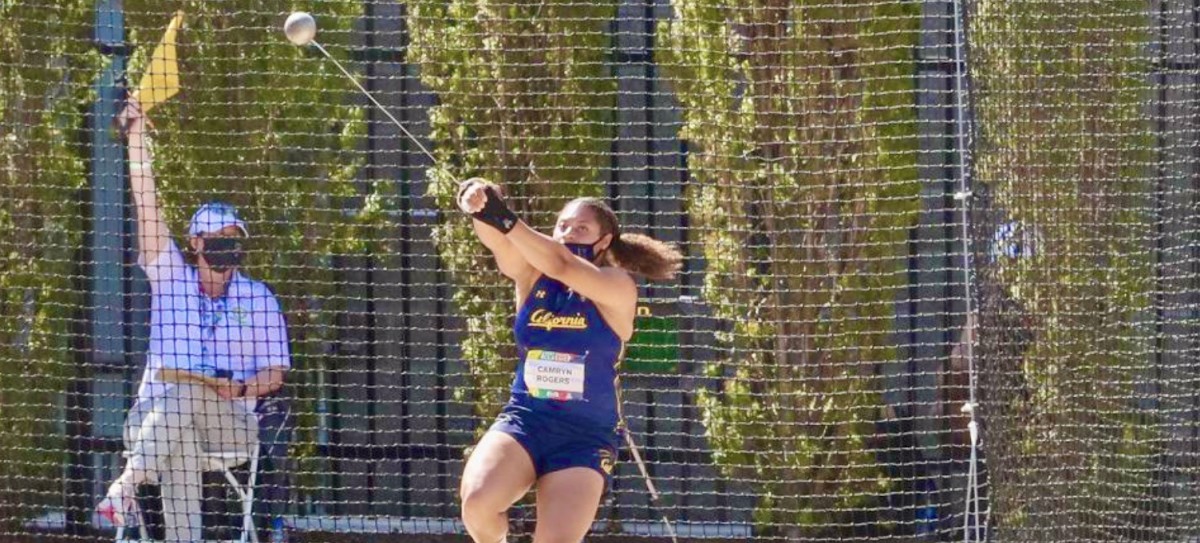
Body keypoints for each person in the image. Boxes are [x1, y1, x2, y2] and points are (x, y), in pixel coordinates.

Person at [96, 98, 291, 543]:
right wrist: (136, 138)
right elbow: (146, 205)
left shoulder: (259, 297)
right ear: (195, 243)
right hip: (153, 419)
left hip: (230, 423)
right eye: (217, 237)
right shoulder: (170, 278)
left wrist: (240, 388)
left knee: (188, 394)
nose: (227, 245)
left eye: (233, 237)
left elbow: (276, 374)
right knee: (179, 430)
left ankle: (125, 485)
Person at [454, 178, 683, 543]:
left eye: (581, 228)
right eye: (562, 226)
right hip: (527, 420)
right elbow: (499, 240)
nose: (568, 233)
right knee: (478, 504)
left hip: (584, 437)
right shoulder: (532, 274)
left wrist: (504, 216)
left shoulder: (616, 284)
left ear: (603, 241)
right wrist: (480, 201)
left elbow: (562, 264)